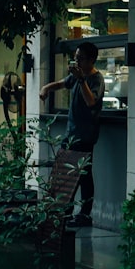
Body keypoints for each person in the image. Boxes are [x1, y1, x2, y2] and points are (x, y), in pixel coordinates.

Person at [39, 41, 104, 227]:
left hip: (85, 135)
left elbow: (91, 102)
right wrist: (46, 88)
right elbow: (61, 83)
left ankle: (84, 214)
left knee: (83, 175)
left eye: (80, 58)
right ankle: (63, 210)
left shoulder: (95, 79)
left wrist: (81, 80)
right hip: (71, 133)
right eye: (76, 57)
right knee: (64, 171)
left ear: (91, 60)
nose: (77, 61)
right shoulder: (76, 76)